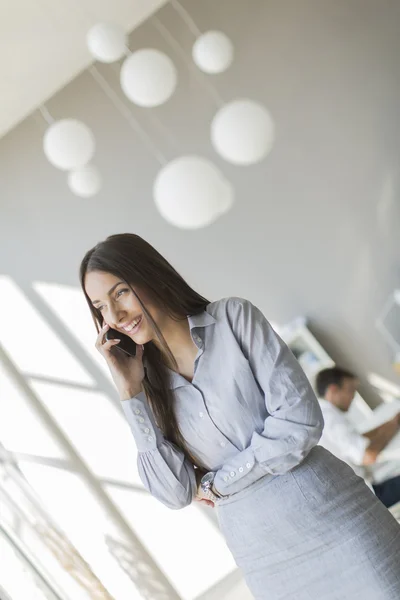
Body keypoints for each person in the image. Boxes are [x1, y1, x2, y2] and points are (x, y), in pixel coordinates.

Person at [80, 233, 400, 600]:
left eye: (120, 292)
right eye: (100, 307)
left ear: (150, 274)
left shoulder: (233, 318)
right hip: (263, 559)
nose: (115, 316)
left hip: (335, 520)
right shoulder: (146, 387)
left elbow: (299, 424)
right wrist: (129, 394)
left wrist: (220, 482)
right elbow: (174, 492)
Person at [316, 366, 400, 508]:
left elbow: (359, 439)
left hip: (359, 494)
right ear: (333, 390)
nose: (353, 396)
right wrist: (394, 424)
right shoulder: (330, 419)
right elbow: (367, 455)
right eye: (350, 390)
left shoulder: (323, 414)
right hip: (368, 497)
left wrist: (393, 422)